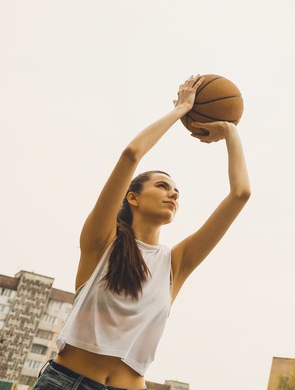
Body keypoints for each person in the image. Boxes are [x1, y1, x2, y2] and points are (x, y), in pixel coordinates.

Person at [32, 74, 250, 390]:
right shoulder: (99, 242)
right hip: (67, 383)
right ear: (132, 197)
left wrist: (230, 130)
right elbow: (132, 154)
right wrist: (182, 110)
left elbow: (240, 194)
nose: (173, 194)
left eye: (177, 190)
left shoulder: (176, 263)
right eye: (162, 186)